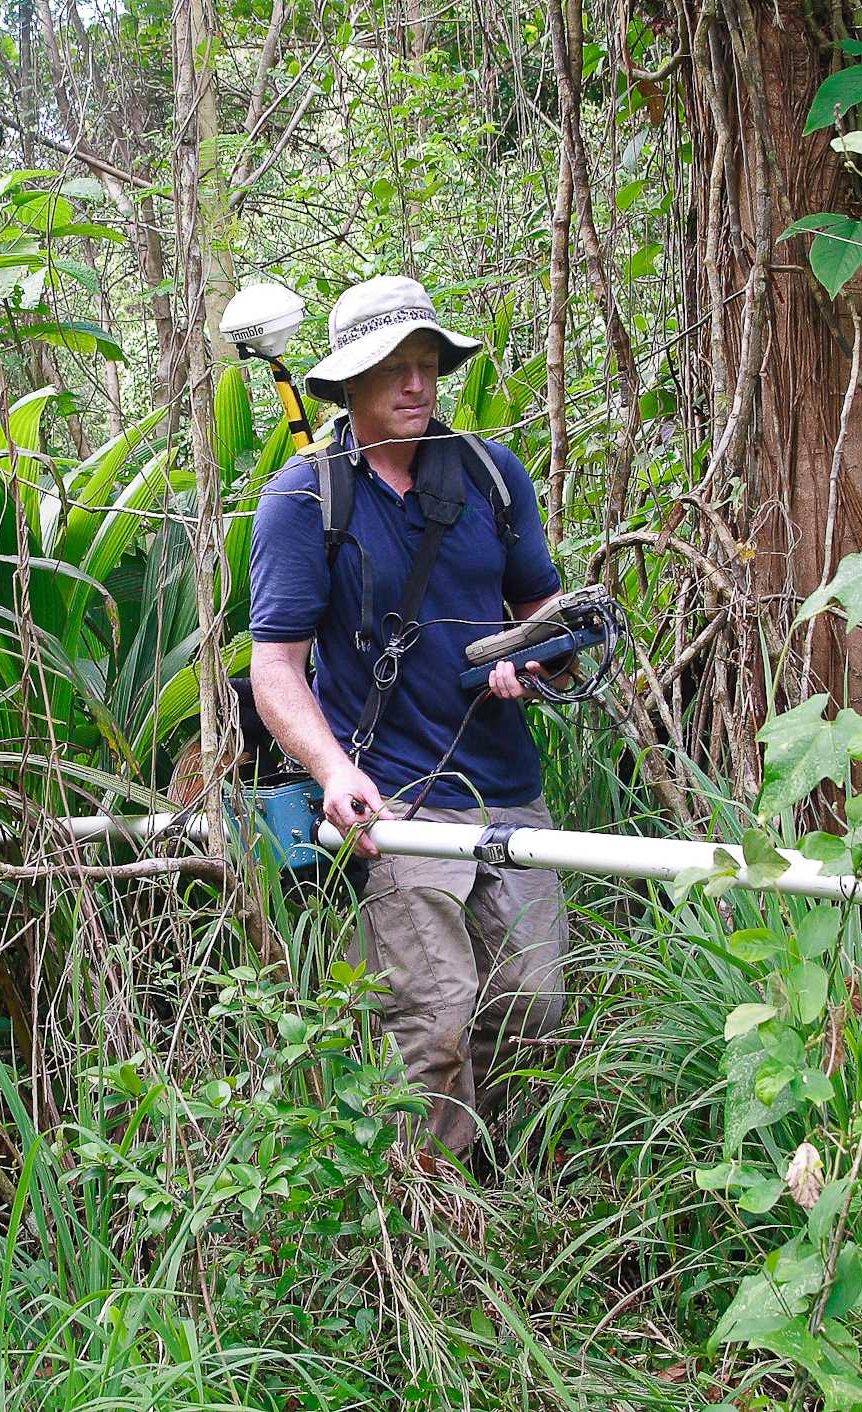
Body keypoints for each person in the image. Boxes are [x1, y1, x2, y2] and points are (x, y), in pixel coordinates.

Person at [248, 275, 568, 1169]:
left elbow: (546, 614)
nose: (418, 385)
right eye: (396, 366)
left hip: (507, 790)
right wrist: (333, 772)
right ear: (349, 382)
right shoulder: (305, 500)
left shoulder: (492, 477)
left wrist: (539, 660)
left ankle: (509, 1193)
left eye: (429, 364)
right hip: (398, 800)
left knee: (534, 1011)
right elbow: (274, 669)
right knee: (432, 1026)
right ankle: (433, 1228)